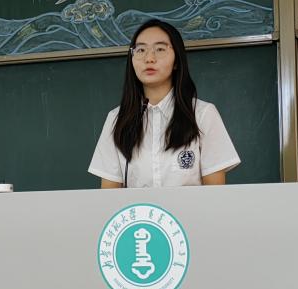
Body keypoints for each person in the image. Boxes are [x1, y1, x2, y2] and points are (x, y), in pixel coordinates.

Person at [88, 19, 240, 188]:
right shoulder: (116, 119)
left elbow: (216, 195)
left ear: (176, 61)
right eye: (141, 50)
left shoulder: (202, 114)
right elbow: (108, 196)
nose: (149, 58)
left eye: (160, 49)